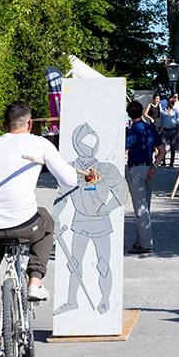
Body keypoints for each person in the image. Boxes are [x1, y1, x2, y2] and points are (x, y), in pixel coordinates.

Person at [0, 101, 80, 357]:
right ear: (30, 124)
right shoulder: (39, 144)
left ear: (2, 125)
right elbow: (70, 179)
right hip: (26, 224)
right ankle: (35, 281)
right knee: (46, 221)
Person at [53, 123, 127, 313]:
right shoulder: (70, 168)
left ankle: (105, 299)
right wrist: (56, 217)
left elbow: (121, 190)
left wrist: (108, 208)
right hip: (79, 222)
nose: (88, 147)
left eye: (91, 142)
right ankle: (72, 301)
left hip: (101, 223)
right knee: (75, 264)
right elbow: (62, 196)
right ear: (76, 143)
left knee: (103, 264)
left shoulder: (106, 168)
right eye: (84, 143)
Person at [124, 100, 165, 254]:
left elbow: (123, 147)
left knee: (140, 208)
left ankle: (146, 244)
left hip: (136, 168)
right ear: (142, 112)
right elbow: (162, 150)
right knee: (145, 206)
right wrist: (155, 165)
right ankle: (140, 240)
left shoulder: (133, 130)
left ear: (129, 115)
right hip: (149, 167)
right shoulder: (149, 128)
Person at [157, 94, 179, 167]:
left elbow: (178, 120)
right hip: (165, 131)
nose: (171, 104)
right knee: (163, 146)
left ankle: (171, 163)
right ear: (168, 103)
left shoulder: (175, 111)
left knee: (172, 146)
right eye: (170, 103)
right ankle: (163, 162)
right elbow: (161, 122)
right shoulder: (162, 111)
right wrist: (160, 130)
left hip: (173, 131)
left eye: (172, 103)